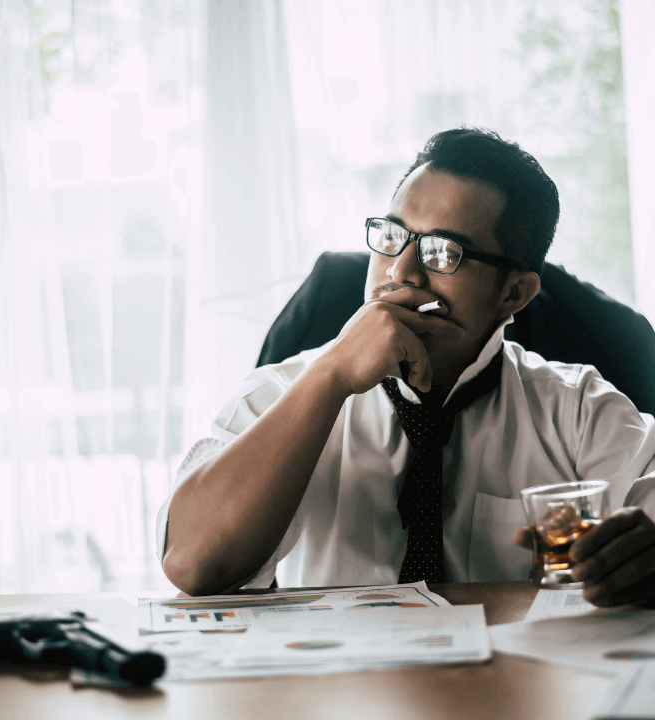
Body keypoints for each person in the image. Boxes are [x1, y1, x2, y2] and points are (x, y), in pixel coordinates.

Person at [157, 127, 655, 606]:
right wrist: (331, 376)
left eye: (443, 253)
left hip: (516, 687)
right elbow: (192, 565)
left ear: (513, 294)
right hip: (337, 687)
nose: (401, 272)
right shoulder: (283, 393)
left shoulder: (576, 412)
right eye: (393, 236)